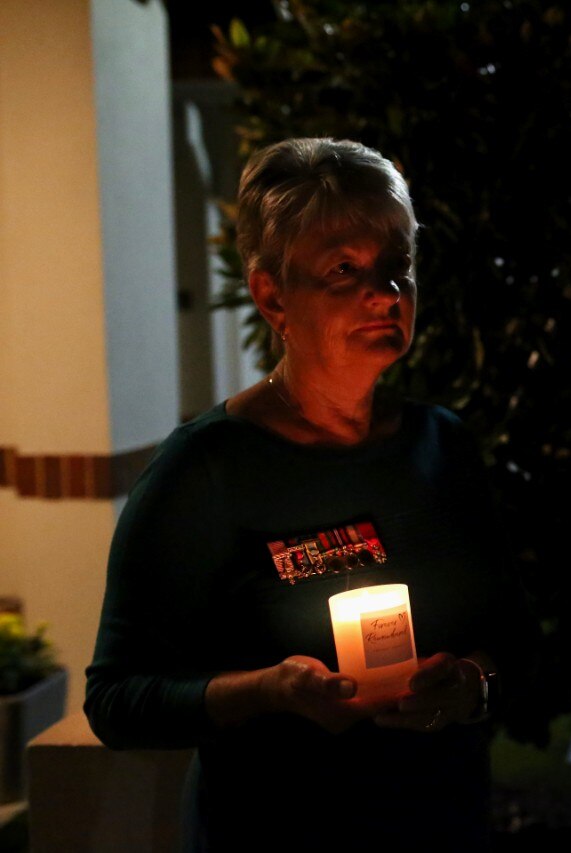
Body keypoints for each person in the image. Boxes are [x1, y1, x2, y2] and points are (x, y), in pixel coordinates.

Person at [85, 138, 534, 850]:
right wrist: (267, 690)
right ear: (271, 295)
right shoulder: (206, 470)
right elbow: (118, 700)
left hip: (438, 817)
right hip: (275, 827)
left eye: (398, 267)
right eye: (345, 269)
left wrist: (472, 681)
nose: (385, 294)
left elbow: (512, 633)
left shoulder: (441, 444)